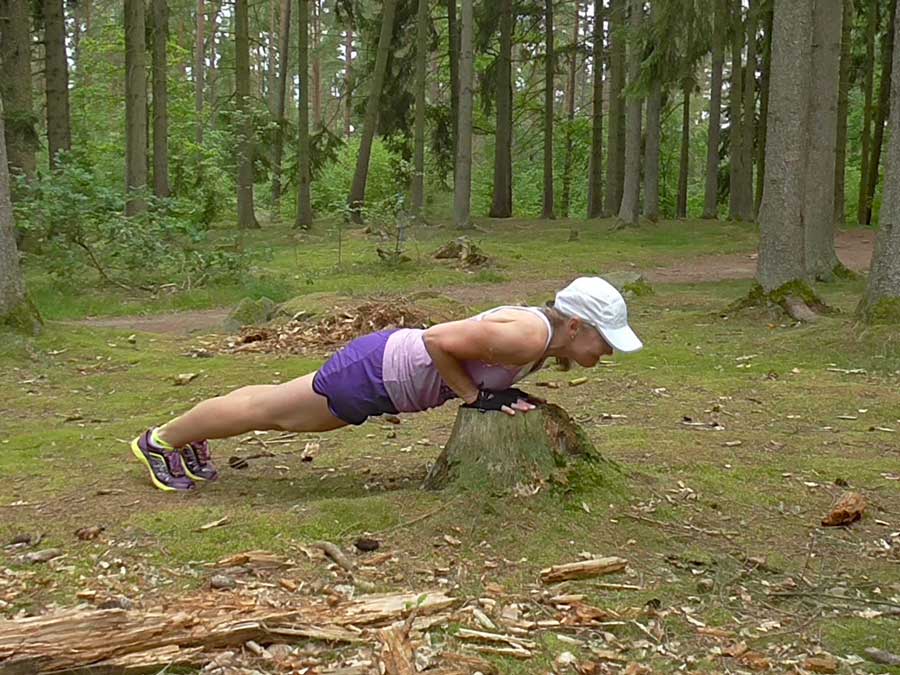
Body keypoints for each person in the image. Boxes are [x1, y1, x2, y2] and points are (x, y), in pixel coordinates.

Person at [131, 276, 643, 491]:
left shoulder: (540, 340)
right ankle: (160, 442)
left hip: (381, 368)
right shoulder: (531, 336)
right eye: (605, 341)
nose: (607, 352)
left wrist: (487, 393)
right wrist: (473, 396)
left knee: (271, 404)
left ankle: (186, 433)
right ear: (574, 326)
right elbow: (439, 339)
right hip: (376, 373)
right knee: (274, 411)